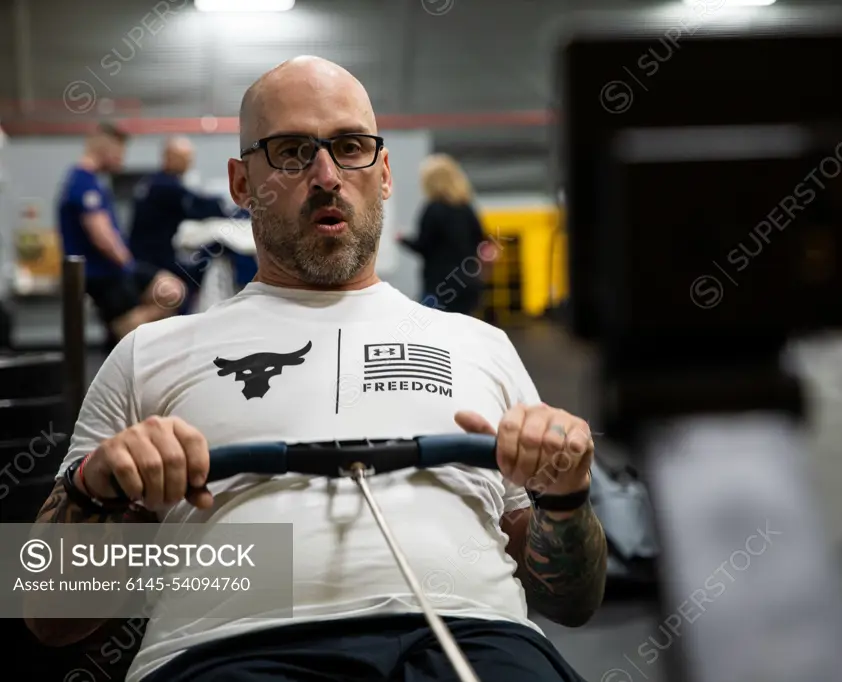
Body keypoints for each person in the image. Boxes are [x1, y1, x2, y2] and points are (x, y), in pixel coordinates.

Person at [28, 57, 606, 682]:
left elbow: (570, 601)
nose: (327, 176)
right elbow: (49, 613)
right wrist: (97, 489)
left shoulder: (479, 345)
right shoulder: (150, 352)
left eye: (351, 147)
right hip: (234, 654)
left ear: (384, 174)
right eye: (293, 151)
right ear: (243, 183)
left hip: (474, 643)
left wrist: (565, 498)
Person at [57, 123, 187, 342]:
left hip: (112, 271)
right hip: (104, 275)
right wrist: (128, 266)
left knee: (172, 291)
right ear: (104, 149)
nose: (121, 159)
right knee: (170, 293)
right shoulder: (83, 183)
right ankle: (124, 335)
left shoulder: (89, 182)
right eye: (119, 153)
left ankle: (124, 334)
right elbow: (102, 237)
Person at [129, 136, 237, 306]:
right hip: (154, 262)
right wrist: (233, 208)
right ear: (169, 157)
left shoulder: (152, 182)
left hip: (146, 258)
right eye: (185, 159)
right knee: (185, 287)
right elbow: (201, 207)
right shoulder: (165, 187)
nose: (189, 164)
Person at [399, 154, 493, 315]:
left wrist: (403, 240)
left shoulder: (432, 209)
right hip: (468, 283)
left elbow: (424, 246)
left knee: (433, 335)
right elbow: (482, 240)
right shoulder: (466, 208)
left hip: (440, 285)